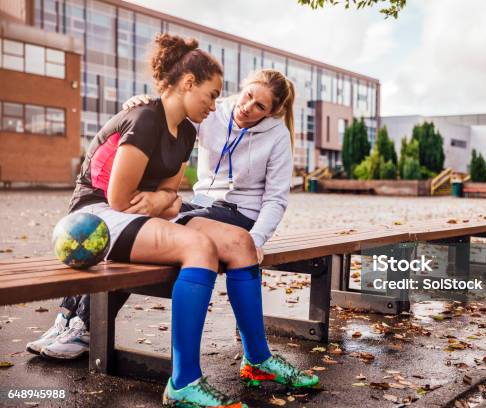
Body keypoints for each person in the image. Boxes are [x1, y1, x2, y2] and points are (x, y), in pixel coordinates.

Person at [27, 34, 316, 408]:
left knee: (241, 244)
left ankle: (258, 361)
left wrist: (164, 200)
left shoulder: (190, 132)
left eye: (222, 97)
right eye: (214, 95)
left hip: (145, 212)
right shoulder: (147, 117)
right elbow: (121, 199)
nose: (220, 105)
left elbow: (169, 199)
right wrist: (165, 199)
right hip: (98, 216)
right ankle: (183, 381)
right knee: (199, 247)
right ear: (189, 83)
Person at [123, 68, 295, 267]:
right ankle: (97, 293)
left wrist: (255, 240)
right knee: (140, 216)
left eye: (259, 106)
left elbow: (276, 199)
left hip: (241, 213)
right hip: (200, 204)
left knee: (171, 225)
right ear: (244, 87)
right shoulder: (213, 112)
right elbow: (173, 118)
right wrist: (147, 106)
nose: (248, 107)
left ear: (271, 112)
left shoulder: (277, 136)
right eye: (248, 95)